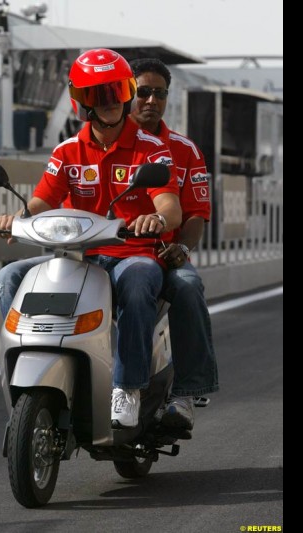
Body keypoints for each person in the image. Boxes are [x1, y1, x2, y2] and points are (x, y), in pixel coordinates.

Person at [0, 48, 181, 429]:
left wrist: (155, 218)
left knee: (141, 278)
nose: (110, 102)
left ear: (127, 92)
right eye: (98, 94)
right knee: (9, 277)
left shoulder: (152, 149)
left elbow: (171, 207)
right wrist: (17, 219)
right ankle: (35, 357)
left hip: (132, 254)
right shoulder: (67, 151)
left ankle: (128, 385)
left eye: (116, 91)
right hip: (80, 258)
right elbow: (41, 201)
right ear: (82, 102)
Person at [128, 58, 219, 431]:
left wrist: (182, 249)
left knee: (188, 283)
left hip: (164, 257)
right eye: (143, 92)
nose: (151, 100)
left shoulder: (185, 150)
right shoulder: (98, 142)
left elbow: (196, 213)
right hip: (111, 255)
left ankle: (188, 390)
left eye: (159, 94)